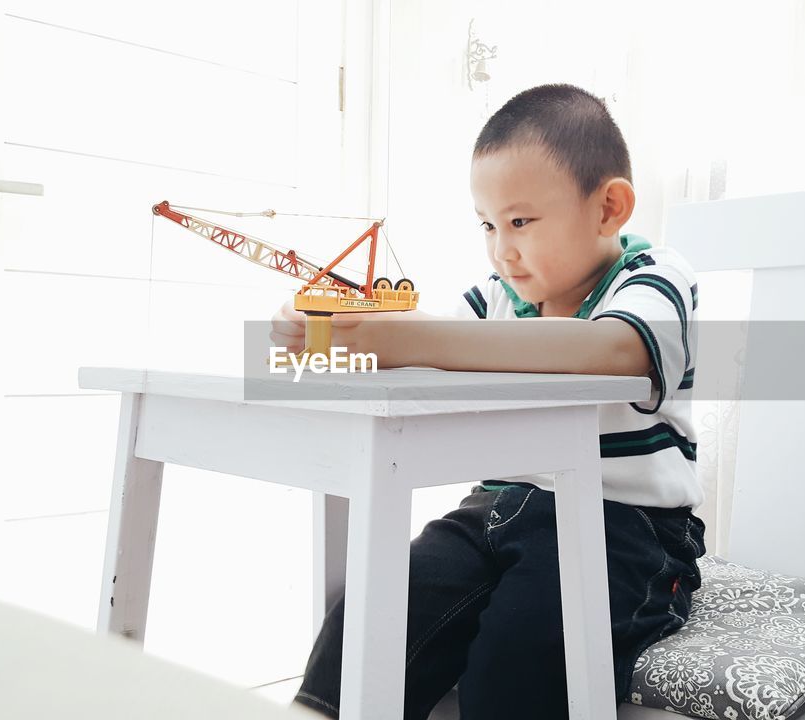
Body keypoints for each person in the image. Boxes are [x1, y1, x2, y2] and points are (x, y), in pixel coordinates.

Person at [271, 83, 705, 720]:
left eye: (521, 222)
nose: (502, 248)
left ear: (609, 207)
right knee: (380, 605)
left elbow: (617, 351)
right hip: (495, 509)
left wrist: (415, 338)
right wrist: (332, 330)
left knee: (524, 651)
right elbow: (431, 352)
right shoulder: (493, 298)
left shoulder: (653, 279)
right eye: (488, 225)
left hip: (625, 524)